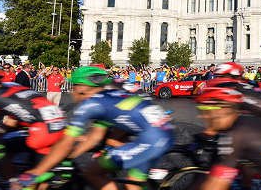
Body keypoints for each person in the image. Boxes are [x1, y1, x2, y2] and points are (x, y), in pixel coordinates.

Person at [22, 66, 173, 190]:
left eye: (72, 87)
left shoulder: (91, 104)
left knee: (93, 173)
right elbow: (96, 135)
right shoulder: (110, 89)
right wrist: (71, 155)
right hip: (159, 129)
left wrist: (37, 171)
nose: (70, 91)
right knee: (131, 182)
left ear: (81, 87)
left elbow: (68, 142)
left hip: (151, 137)